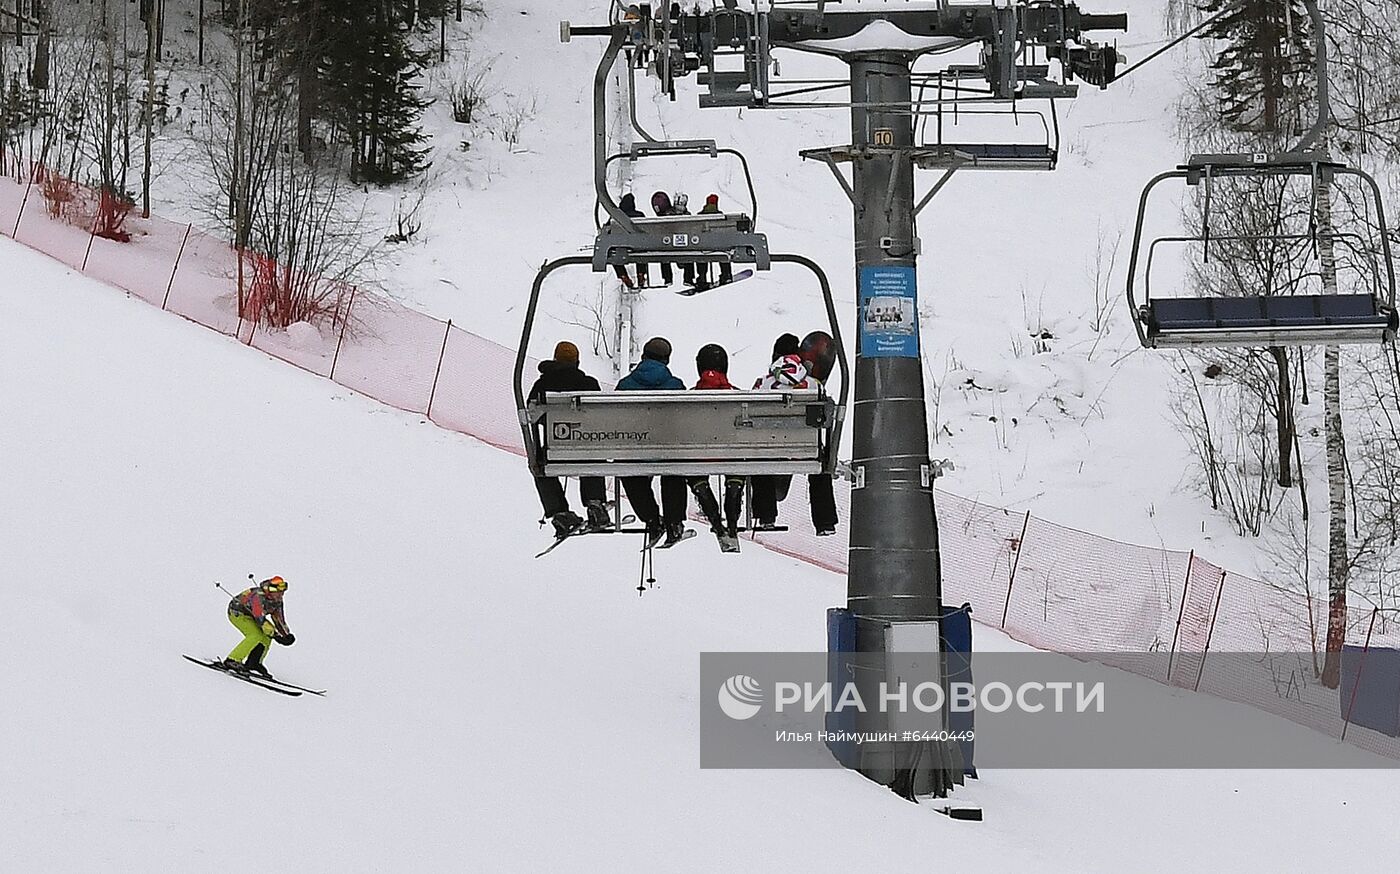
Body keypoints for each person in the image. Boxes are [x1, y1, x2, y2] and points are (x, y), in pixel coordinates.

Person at [617, 337, 726, 547]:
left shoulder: (625, 385)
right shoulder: (675, 386)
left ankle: (651, 519)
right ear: (666, 360)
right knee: (674, 466)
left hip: (636, 452)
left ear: (643, 357)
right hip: (668, 452)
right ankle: (674, 522)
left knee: (630, 471)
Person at [750, 333, 838, 536]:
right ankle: (825, 522)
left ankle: (766, 515)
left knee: (757, 461)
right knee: (820, 466)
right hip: (804, 450)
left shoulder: (762, 384)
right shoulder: (814, 386)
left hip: (768, 451)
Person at [528, 340, 611, 537]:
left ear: (555, 359)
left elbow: (532, 415)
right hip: (585, 451)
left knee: (538, 461)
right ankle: (595, 504)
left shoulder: (542, 385)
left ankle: (560, 512)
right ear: (577, 362)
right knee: (594, 454)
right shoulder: (589, 384)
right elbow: (598, 415)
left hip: (555, 452)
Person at [694, 343, 746, 544]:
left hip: (698, 458)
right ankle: (734, 490)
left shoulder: (688, 396)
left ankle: (709, 507)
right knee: (738, 461)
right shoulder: (740, 396)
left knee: (692, 468)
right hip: (731, 455)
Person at [222, 576, 295, 678]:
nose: (281, 595)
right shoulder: (258, 597)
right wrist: (276, 635)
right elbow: (260, 620)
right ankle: (232, 660)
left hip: (252, 616)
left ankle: (254, 662)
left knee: (266, 637)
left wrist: (286, 635)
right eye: (279, 592)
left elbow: (279, 619)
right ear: (271, 590)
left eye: (283, 591)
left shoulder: (277, 601)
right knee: (255, 635)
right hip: (237, 613)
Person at [696, 193, 734, 290]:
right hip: (718, 246)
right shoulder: (720, 216)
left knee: (701, 256)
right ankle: (726, 275)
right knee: (723, 251)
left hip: (703, 247)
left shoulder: (699, 216)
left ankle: (702, 279)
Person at [611, 193, 649, 289]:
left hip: (621, 248)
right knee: (642, 250)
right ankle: (641, 273)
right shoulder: (640, 215)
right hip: (637, 248)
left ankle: (623, 275)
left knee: (614, 256)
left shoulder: (616, 217)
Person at [649, 191, 678, 286]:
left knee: (664, 256)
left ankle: (667, 279)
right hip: (680, 245)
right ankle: (688, 277)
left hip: (665, 246)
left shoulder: (660, 220)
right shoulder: (674, 214)